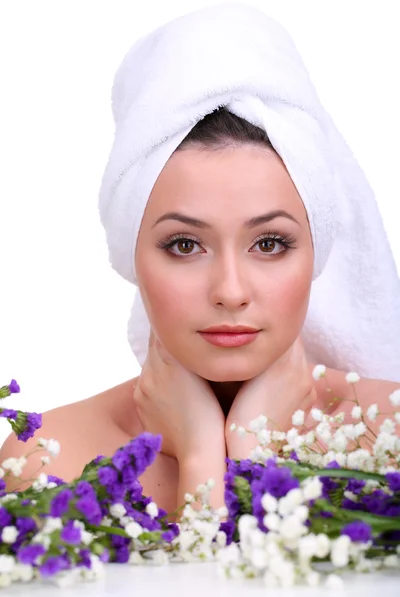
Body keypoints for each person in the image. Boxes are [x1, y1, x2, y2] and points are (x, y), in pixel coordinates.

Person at [1, 5, 400, 516]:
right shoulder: (48, 460)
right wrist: (199, 454)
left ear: (316, 254)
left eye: (270, 243)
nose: (230, 291)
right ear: (132, 257)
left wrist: (250, 451)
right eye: (185, 245)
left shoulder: (385, 437)